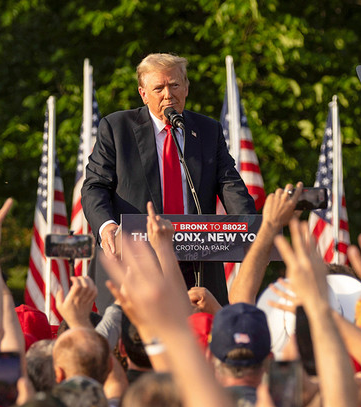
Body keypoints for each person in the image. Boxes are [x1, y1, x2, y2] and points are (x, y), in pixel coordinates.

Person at [81, 52, 256, 307]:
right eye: (159, 88)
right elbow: (95, 186)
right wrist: (107, 226)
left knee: (202, 339)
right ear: (143, 93)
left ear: (186, 87)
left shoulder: (207, 130)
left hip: (197, 262)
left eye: (174, 85)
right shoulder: (117, 128)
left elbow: (229, 183)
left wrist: (248, 228)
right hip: (135, 258)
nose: (168, 94)